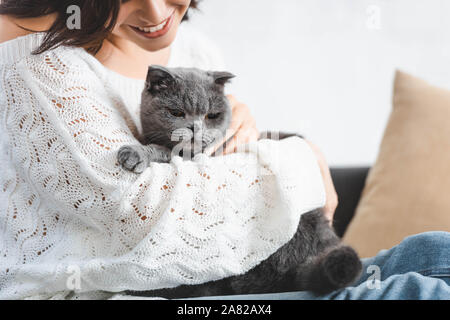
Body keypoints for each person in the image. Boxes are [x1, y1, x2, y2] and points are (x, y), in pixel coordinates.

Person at [0, 0, 448, 300]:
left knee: (435, 252)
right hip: (132, 290)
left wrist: (259, 144)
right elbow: (140, 209)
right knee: (417, 291)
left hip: (231, 267)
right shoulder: (38, 64)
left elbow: (232, 174)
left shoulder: (194, 48)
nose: (157, 12)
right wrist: (302, 159)